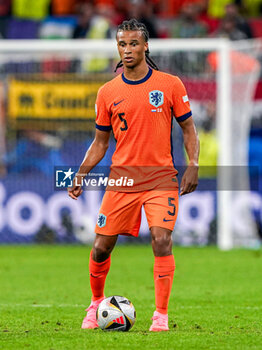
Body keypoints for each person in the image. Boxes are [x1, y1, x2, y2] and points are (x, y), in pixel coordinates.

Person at [68, 18, 199, 332]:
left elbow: (188, 129)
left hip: (160, 178)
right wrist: (81, 174)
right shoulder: (107, 92)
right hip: (122, 180)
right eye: (122, 44)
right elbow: (100, 143)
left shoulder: (170, 84)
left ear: (146, 45)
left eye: (133, 44)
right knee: (101, 246)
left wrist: (193, 163)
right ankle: (96, 302)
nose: (127, 50)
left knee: (161, 239)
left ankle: (161, 315)